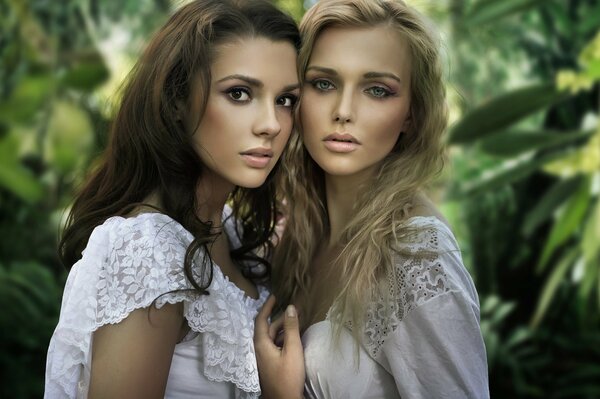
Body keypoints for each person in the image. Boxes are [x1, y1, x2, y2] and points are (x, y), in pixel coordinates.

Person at [44, 0, 300, 397]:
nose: (271, 124)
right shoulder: (148, 249)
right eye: (239, 93)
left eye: (285, 100)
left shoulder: (230, 229)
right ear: (177, 101)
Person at [254, 0, 490, 398]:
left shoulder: (416, 254)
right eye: (324, 83)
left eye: (377, 90)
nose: (343, 112)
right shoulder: (298, 233)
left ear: (411, 114)